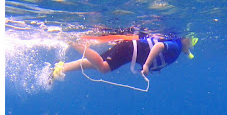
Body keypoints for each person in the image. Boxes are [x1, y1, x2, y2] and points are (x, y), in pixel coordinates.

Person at [50, 34, 197, 82]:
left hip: (130, 50)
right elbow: (158, 47)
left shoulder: (177, 47)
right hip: (130, 49)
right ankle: (72, 41)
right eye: (192, 42)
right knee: (103, 68)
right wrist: (146, 65)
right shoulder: (176, 46)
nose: (191, 46)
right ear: (185, 40)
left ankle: (62, 67)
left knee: (94, 63)